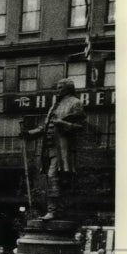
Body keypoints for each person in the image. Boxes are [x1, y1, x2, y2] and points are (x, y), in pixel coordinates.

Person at [21, 77, 86, 220]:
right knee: (52, 180)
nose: (57, 90)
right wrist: (29, 133)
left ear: (68, 88)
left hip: (62, 150)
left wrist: (62, 124)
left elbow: (81, 127)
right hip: (49, 150)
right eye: (57, 87)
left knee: (53, 178)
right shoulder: (55, 105)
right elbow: (45, 127)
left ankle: (53, 211)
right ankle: (55, 210)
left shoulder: (75, 103)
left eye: (60, 87)